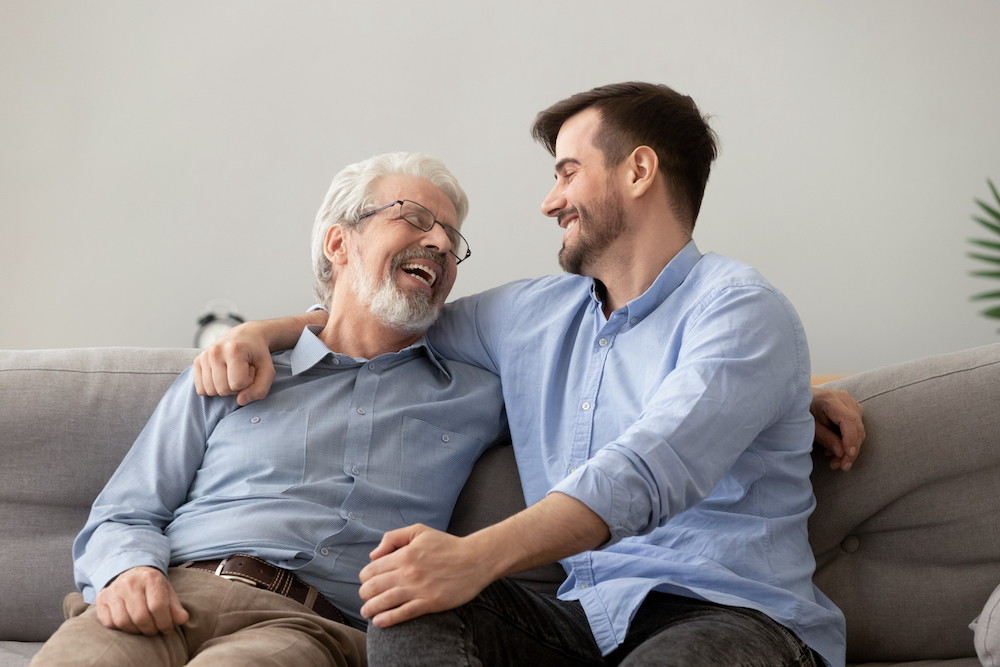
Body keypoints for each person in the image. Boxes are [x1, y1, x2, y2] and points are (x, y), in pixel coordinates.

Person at [195, 83, 865, 666]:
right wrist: (263, 331)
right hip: (585, 626)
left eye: (567, 173)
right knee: (408, 604)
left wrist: (477, 555)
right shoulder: (531, 314)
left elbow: (644, 470)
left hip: (730, 616)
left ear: (638, 171)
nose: (550, 201)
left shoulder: (741, 307)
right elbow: (384, 318)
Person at [29, 153, 508, 667]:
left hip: (311, 626)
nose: (439, 243)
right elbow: (125, 511)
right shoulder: (233, 369)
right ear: (338, 242)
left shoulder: (479, 395)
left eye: (451, 240)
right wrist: (127, 572)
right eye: (414, 218)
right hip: (173, 591)